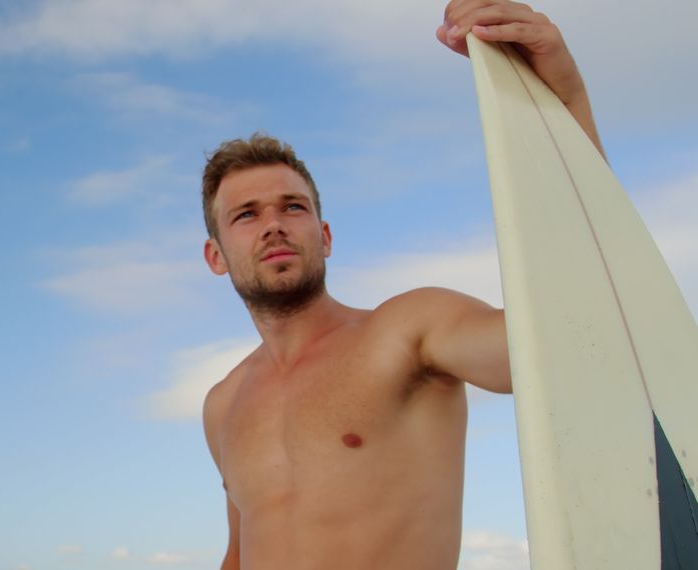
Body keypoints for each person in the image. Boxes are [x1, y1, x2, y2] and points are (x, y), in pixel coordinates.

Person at [199, 1, 604, 568]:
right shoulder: (223, 405)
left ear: (326, 235)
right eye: (246, 214)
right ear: (216, 257)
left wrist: (567, 104)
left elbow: (563, 339)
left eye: (293, 206)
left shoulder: (407, 331)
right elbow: (240, 554)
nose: (273, 223)